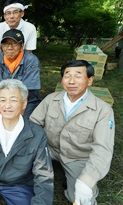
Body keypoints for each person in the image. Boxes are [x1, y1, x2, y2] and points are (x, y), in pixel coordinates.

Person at [30, 60, 115, 205]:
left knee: (80, 198)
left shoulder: (103, 110)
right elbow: (33, 124)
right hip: (48, 149)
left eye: (78, 75)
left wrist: (87, 180)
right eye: (67, 75)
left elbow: (103, 148)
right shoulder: (51, 99)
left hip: (77, 156)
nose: (71, 81)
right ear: (62, 80)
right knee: (15, 174)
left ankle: (81, 184)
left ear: (89, 80)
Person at [0, 29, 41, 120]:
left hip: (27, 100)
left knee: (21, 121)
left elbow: (27, 91)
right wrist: (0, 108)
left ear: (22, 46)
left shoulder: (31, 60)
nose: (9, 47)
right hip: (5, 98)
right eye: (6, 44)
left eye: (14, 44)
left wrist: (16, 111)